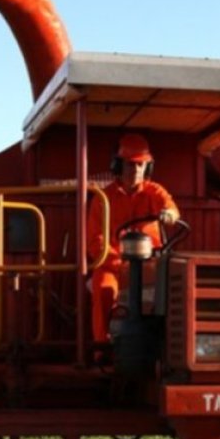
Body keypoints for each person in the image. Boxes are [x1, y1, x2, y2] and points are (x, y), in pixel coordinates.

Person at [87, 133, 180, 343]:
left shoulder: (155, 191)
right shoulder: (102, 199)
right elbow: (95, 242)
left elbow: (170, 207)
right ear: (118, 166)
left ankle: (164, 347)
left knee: (172, 291)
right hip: (113, 266)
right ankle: (103, 348)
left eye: (141, 165)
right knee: (103, 289)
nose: (136, 170)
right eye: (130, 164)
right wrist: (120, 264)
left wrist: (170, 214)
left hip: (150, 267)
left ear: (148, 167)